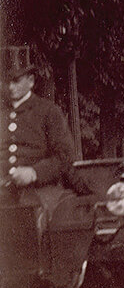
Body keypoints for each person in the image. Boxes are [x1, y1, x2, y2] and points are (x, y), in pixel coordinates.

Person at [4, 46, 75, 218]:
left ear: (31, 81)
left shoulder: (49, 112)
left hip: (40, 192)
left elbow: (65, 156)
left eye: (16, 81)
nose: (10, 87)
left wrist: (34, 172)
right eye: (6, 81)